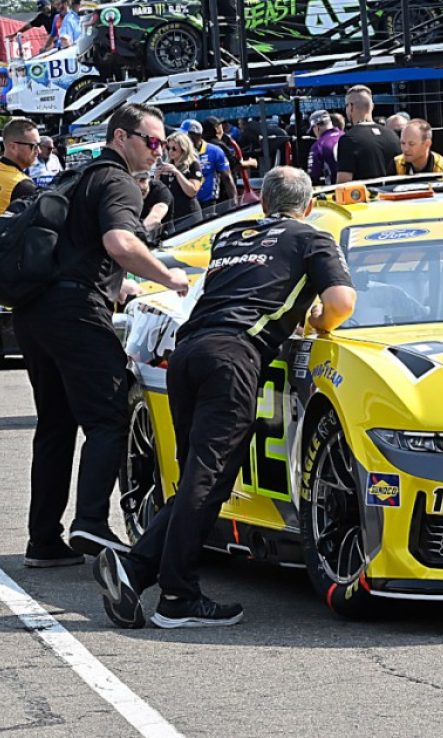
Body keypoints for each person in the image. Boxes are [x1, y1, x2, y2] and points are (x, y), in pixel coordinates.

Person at [94, 166, 356, 629]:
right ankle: (177, 597)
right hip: (232, 356)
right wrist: (316, 322)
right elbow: (341, 302)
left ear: (263, 204)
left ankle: (135, 570)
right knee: (208, 479)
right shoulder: (311, 238)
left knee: (200, 474)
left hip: (188, 352)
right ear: (309, 206)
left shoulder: (233, 235)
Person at [12, 103, 189, 568]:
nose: (158, 152)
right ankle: (91, 521)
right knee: (108, 416)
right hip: (73, 313)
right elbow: (119, 243)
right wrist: (171, 279)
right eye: (151, 142)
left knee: (55, 425)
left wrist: (123, 284)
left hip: (36, 312)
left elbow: (84, 251)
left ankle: (43, 540)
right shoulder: (117, 181)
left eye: (163, 144)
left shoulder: (79, 176)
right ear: (120, 138)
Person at [0, 118, 40, 230]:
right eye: (33, 146)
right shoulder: (22, 185)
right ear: (13, 147)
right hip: (8, 246)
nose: (38, 151)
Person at [335, 85, 401, 183]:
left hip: (367, 197)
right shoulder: (393, 136)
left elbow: (343, 183)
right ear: (372, 106)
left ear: (351, 107)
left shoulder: (348, 139)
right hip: (395, 195)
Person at [183, 119, 234, 209]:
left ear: (196, 136)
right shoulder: (181, 151)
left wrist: (234, 203)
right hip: (188, 202)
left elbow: (227, 178)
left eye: (185, 135)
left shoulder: (215, 151)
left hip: (209, 202)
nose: (182, 138)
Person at [159, 131, 203, 224]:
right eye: (168, 148)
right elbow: (159, 193)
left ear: (184, 149)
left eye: (174, 148)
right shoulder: (167, 166)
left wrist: (177, 173)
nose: (170, 151)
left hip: (188, 215)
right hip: (170, 217)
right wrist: (157, 177)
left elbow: (192, 191)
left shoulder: (193, 165)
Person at [201, 117, 239, 203]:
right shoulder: (218, 146)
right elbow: (234, 164)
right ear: (216, 129)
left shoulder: (204, 145)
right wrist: (251, 162)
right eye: (220, 125)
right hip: (223, 191)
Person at [307, 109, 341, 185]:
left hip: (334, 189)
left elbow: (313, 175)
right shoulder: (346, 135)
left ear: (316, 128)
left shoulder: (318, 145)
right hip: (358, 188)